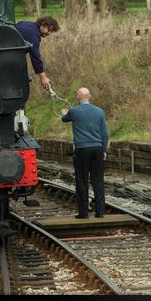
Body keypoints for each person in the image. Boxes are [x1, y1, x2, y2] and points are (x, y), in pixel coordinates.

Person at [60, 87, 109, 219]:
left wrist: (64, 113)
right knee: (98, 180)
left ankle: (84, 213)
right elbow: (105, 133)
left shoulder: (74, 111)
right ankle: (100, 212)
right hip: (97, 148)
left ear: (78, 97)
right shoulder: (99, 112)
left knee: (81, 181)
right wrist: (104, 149)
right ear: (90, 96)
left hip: (82, 150)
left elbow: (64, 119)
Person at [14, 15, 59, 90]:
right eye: (49, 30)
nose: (49, 33)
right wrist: (43, 77)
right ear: (43, 25)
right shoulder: (34, 35)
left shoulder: (25, 23)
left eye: (51, 31)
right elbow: (35, 56)